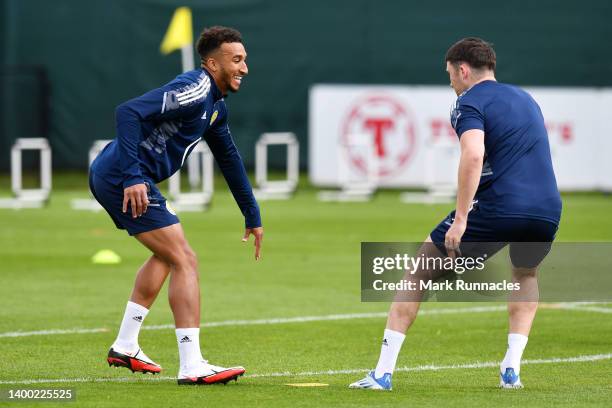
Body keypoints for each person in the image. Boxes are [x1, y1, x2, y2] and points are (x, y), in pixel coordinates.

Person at [349, 37, 562, 390]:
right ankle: (512, 368)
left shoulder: (469, 102)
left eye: (450, 74)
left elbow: (474, 155)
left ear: (463, 70)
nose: (450, 81)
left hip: (502, 204)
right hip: (548, 208)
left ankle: (382, 373)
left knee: (418, 273)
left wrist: (462, 218)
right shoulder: (527, 99)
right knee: (525, 274)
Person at [90, 26, 263, 385]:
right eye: (237, 60)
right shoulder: (195, 90)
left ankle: (125, 344)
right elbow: (128, 112)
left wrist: (252, 213)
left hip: (117, 174)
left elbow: (228, 158)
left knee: (168, 256)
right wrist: (133, 177)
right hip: (121, 176)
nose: (245, 67)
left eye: (244, 59)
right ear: (212, 64)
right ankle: (191, 364)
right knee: (185, 258)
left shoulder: (215, 107)